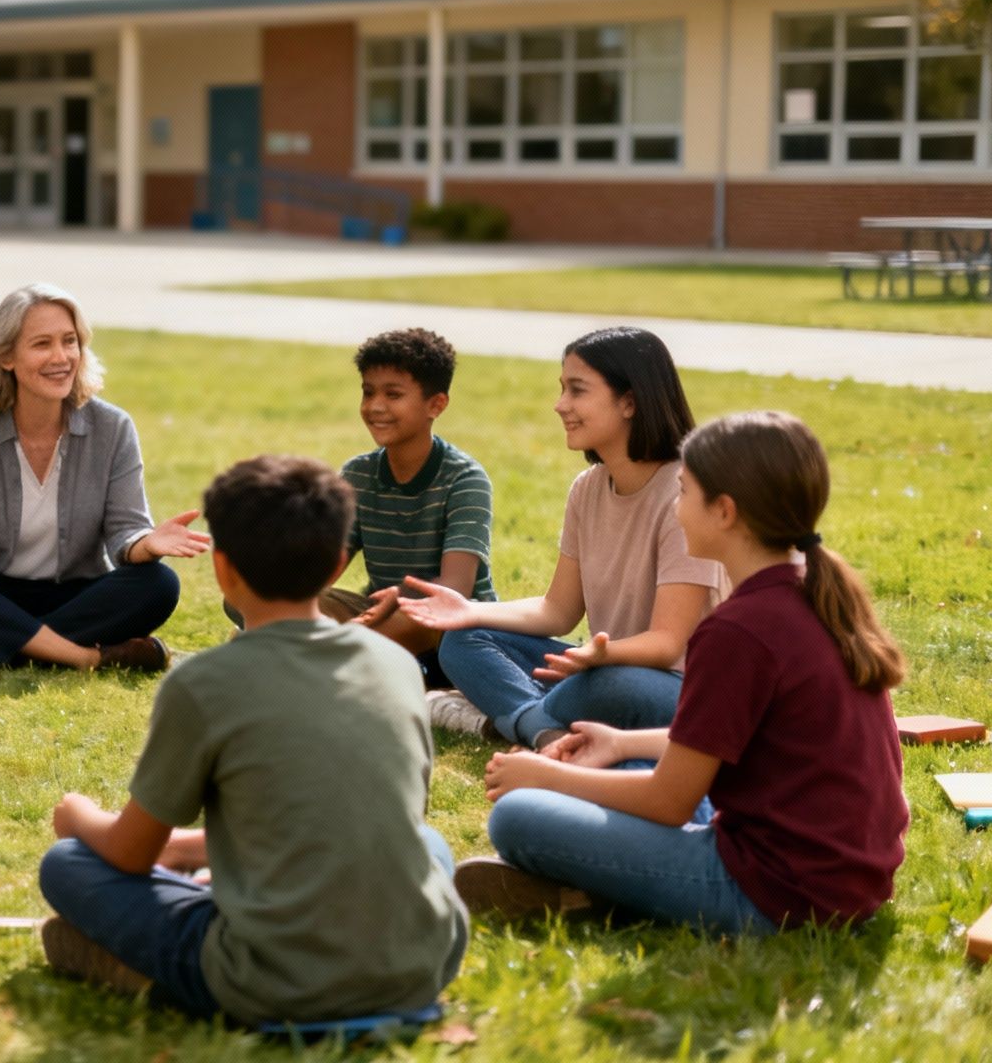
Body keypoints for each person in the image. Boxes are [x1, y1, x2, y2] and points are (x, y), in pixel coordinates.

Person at [36, 455, 467, 1024]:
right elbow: (361, 818)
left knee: (69, 863)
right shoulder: (395, 664)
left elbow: (128, 854)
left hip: (272, 980)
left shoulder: (203, 683)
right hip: (421, 964)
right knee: (427, 843)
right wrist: (190, 849)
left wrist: (80, 815)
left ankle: (142, 968)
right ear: (338, 564)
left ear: (222, 569)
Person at [455, 411, 909, 933]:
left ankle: (596, 891)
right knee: (616, 773)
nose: (675, 507)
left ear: (724, 511)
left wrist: (547, 775)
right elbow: (738, 745)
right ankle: (599, 885)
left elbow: (670, 802)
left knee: (519, 816)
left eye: (683, 492)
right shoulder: (811, 589)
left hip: (775, 892)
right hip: (845, 876)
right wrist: (624, 745)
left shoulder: (739, 629)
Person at [402, 327, 728, 747]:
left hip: (673, 685)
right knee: (462, 643)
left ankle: (519, 717)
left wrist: (597, 657)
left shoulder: (686, 492)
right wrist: (471, 611)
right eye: (562, 389)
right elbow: (558, 610)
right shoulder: (587, 488)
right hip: (601, 663)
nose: (560, 406)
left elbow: (667, 645)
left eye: (577, 391)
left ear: (629, 401)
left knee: (604, 687)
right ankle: (548, 732)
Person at [0, 283, 206, 671]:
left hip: (76, 593)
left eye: (70, 342)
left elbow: (126, 533)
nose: (61, 357)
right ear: (5, 356)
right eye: (42, 344)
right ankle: (87, 657)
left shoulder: (114, 427)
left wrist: (148, 543)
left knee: (158, 584)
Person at [266, 328, 497, 688]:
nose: (375, 406)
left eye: (393, 394)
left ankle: (313, 659)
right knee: (271, 598)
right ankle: (326, 654)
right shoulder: (357, 473)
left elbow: (456, 587)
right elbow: (326, 565)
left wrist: (400, 599)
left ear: (435, 404)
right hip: (375, 611)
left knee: (418, 619)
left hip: (445, 621)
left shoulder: (465, 479)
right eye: (368, 391)